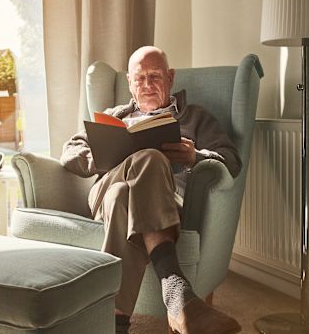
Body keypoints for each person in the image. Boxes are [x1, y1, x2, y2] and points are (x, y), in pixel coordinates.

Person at [60, 46, 243, 334]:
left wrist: (197, 156)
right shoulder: (114, 115)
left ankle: (115, 323)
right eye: (139, 78)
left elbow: (231, 160)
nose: (146, 85)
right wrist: (99, 155)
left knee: (125, 197)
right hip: (103, 197)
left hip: (163, 203)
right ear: (130, 84)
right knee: (144, 163)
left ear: (170, 78)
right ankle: (176, 290)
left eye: (155, 76)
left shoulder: (195, 117)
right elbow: (70, 151)